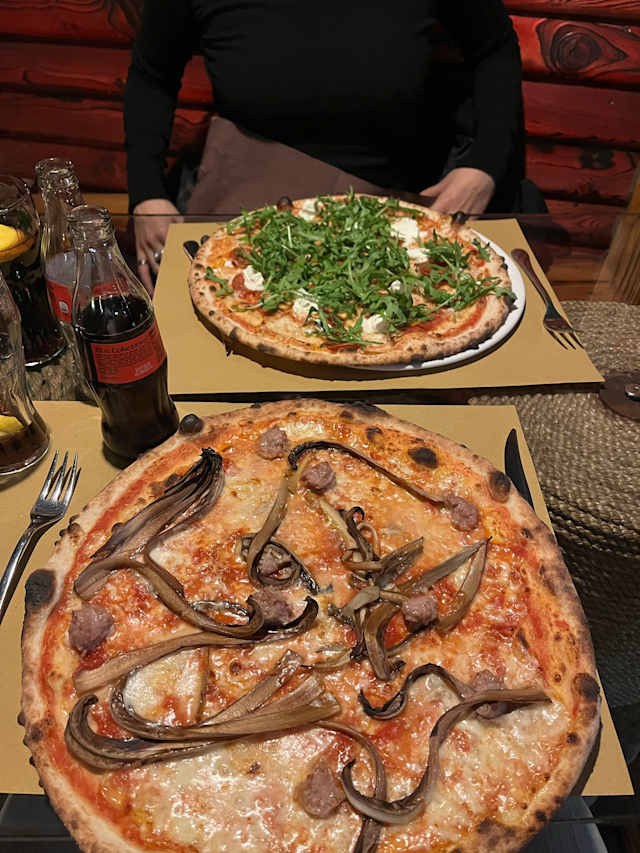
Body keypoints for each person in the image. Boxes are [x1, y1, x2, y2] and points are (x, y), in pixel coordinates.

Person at [125, 0, 526, 290]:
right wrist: (146, 194)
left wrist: (485, 164)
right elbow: (152, 74)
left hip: (391, 219)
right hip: (244, 214)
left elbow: (494, 48)